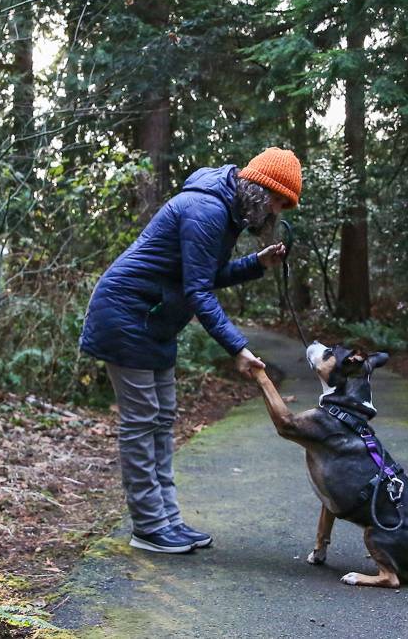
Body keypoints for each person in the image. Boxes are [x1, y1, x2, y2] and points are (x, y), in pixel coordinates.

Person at [79, 147, 303, 554]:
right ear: (258, 188)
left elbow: (204, 275)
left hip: (154, 321)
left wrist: (256, 263)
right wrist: (237, 347)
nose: (274, 210)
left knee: (162, 419)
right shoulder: (207, 209)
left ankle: (166, 520)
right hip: (126, 314)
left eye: (282, 206)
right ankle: (149, 526)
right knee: (142, 420)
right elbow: (198, 290)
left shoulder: (225, 212)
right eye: (275, 199)